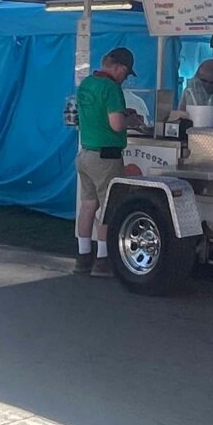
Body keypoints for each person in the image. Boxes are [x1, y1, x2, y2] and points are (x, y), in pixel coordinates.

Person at [73, 47, 143, 277]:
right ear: (119, 68)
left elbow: (93, 116)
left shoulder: (86, 84)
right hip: (107, 156)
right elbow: (115, 125)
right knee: (109, 208)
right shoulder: (112, 88)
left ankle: (83, 257)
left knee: (88, 205)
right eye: (125, 73)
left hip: (86, 153)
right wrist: (130, 119)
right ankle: (103, 260)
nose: (125, 78)